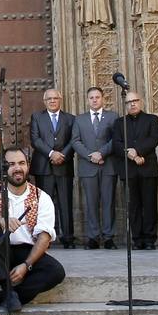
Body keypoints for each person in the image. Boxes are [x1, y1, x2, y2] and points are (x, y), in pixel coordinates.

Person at [0, 144, 66, 310]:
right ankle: (7, 289)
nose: (17, 168)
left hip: (27, 252)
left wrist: (26, 265)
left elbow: (44, 237)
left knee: (56, 272)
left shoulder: (41, 197)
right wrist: (1, 219)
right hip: (1, 253)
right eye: (11, 164)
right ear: (4, 169)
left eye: (21, 163)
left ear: (28, 166)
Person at [69, 87, 120, 249]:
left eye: (97, 97)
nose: (95, 100)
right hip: (88, 166)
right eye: (91, 97)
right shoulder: (80, 119)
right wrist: (91, 155)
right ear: (87, 99)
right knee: (90, 203)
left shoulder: (113, 117)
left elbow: (116, 139)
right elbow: (75, 141)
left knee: (108, 202)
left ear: (103, 98)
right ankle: (93, 237)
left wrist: (101, 153)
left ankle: (109, 237)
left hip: (107, 166)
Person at [114, 91, 158, 249]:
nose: (132, 104)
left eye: (135, 101)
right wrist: (132, 156)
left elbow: (154, 139)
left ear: (140, 102)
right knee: (133, 206)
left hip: (148, 167)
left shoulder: (152, 119)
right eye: (128, 102)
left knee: (149, 205)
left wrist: (138, 151)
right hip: (129, 170)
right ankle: (137, 239)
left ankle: (149, 239)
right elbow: (117, 143)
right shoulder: (120, 123)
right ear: (125, 105)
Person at [29, 89, 76, 248]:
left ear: (60, 99)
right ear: (44, 101)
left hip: (64, 165)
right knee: (44, 205)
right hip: (44, 167)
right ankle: (45, 238)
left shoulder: (70, 118)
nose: (52, 101)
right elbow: (35, 139)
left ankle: (68, 238)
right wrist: (51, 153)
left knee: (65, 203)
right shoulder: (36, 117)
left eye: (55, 98)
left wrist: (62, 154)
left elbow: (73, 140)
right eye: (49, 99)